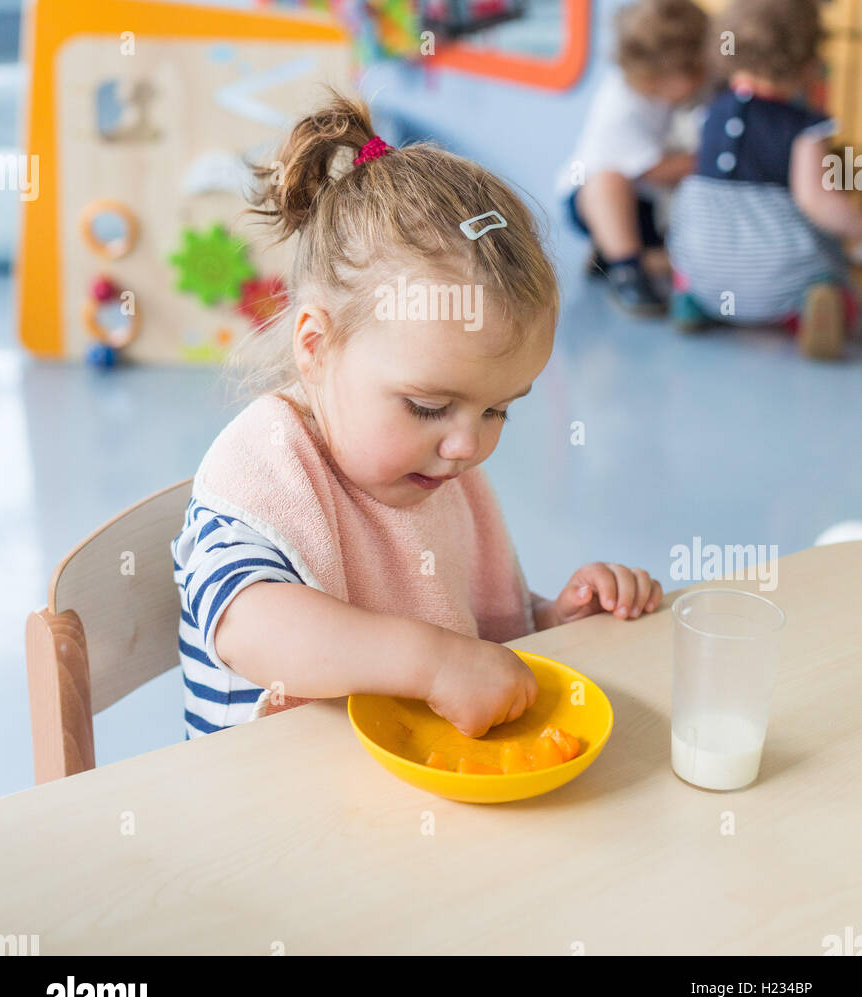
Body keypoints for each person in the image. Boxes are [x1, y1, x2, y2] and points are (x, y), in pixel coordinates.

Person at [172, 93, 662, 741]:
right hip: (268, 813)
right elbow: (250, 627)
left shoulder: (428, 470)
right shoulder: (261, 469)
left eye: (498, 410)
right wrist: (434, 664)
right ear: (316, 347)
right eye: (429, 406)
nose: (466, 445)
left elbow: (469, 625)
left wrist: (549, 619)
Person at [667, 0, 862, 357]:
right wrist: (855, 223)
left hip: (707, 268)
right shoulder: (807, 126)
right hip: (777, 274)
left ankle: (690, 297)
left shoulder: (710, 110)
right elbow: (816, 200)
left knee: (693, 240)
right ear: (809, 64)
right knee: (829, 284)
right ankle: (807, 310)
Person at [557, 0, 707, 316]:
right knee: (606, 182)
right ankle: (627, 269)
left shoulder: (668, 91)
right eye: (696, 70)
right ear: (658, 77)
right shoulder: (621, 105)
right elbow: (651, 169)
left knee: (678, 250)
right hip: (595, 201)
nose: (703, 75)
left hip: (648, 206)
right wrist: (707, 159)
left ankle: (620, 258)